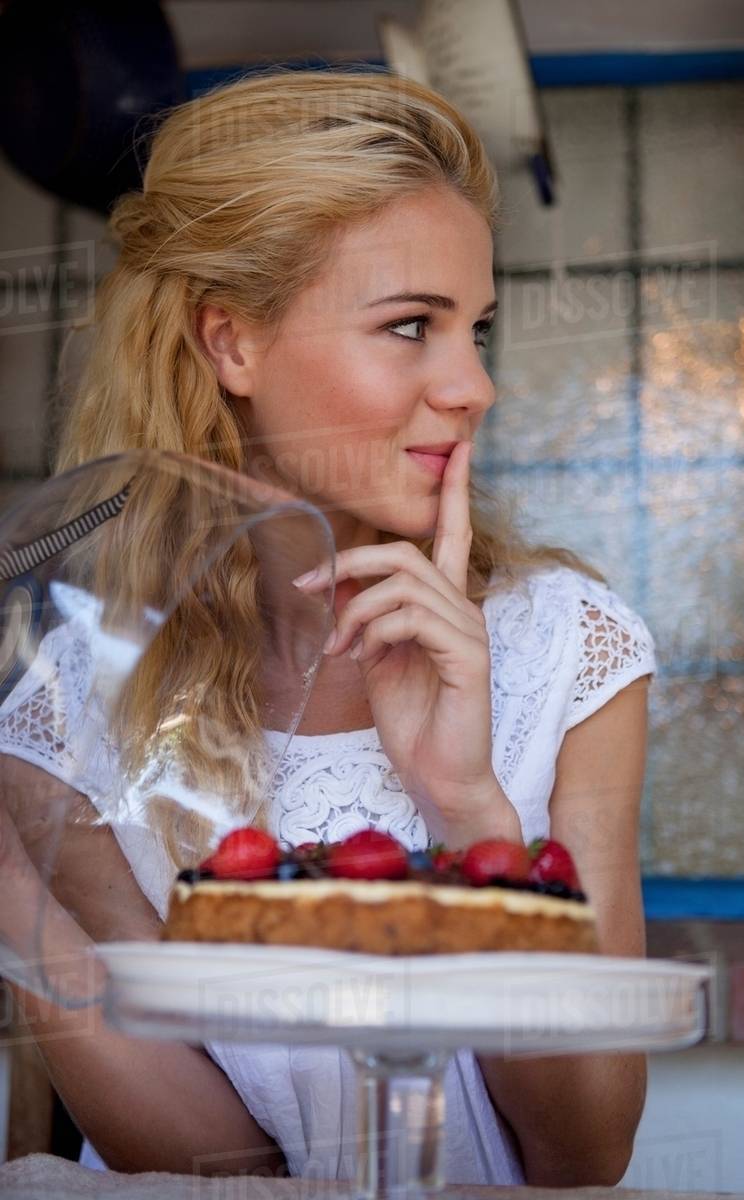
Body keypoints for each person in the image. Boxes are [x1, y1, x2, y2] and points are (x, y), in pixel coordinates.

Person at [0, 67, 656, 1185]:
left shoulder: (566, 647)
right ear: (230, 346)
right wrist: (14, 888)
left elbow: (582, 1155)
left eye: (474, 330)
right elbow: (225, 1171)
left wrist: (469, 808)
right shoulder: (76, 696)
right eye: (410, 326)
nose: (472, 387)